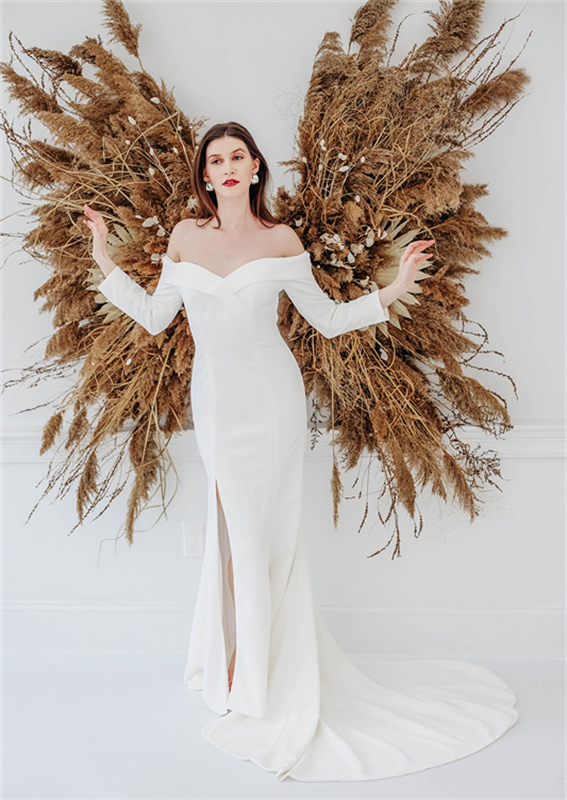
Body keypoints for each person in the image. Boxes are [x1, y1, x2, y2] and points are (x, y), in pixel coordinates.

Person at [83, 121, 517, 783]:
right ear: (204, 176)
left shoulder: (281, 239)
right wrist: (102, 257)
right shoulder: (185, 237)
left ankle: (260, 681)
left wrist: (397, 285)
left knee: (269, 539)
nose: (226, 167)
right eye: (215, 160)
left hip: (274, 401)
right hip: (219, 404)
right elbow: (150, 316)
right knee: (237, 538)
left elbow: (330, 319)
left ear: (255, 167)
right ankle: (238, 671)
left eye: (237, 156)